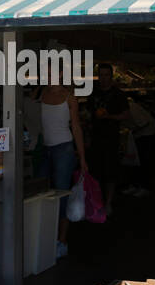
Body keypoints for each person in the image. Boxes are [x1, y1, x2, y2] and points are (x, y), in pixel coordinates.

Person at [39, 78, 87, 257]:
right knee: (42, 193)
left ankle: (62, 241)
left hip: (64, 149)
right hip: (46, 148)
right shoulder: (41, 93)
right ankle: (46, 237)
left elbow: (76, 127)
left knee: (62, 194)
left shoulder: (69, 97)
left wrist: (82, 158)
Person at [87, 62, 130, 215]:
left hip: (111, 139)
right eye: (101, 75)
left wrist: (109, 116)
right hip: (96, 139)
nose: (104, 78)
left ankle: (108, 203)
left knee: (110, 173)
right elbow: (89, 114)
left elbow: (126, 115)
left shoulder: (118, 95)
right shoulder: (93, 93)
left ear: (111, 77)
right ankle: (97, 202)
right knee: (96, 172)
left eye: (107, 75)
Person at [125, 96, 155, 195]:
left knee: (144, 160)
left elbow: (145, 123)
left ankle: (145, 187)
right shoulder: (127, 108)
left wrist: (133, 131)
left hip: (147, 135)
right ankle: (136, 185)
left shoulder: (131, 108)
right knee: (136, 160)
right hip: (138, 135)